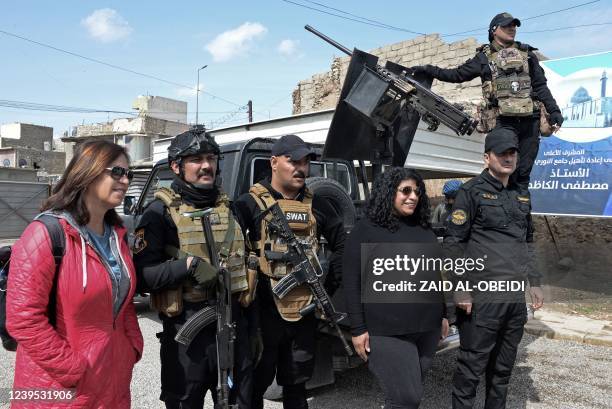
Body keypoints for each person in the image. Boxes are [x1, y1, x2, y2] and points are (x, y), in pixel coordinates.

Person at [7, 140, 144, 407]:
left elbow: (123, 301)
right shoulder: (46, 234)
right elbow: (22, 318)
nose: (125, 180)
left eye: (129, 174)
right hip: (60, 388)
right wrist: (73, 369)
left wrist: (131, 346)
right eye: (117, 172)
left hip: (111, 381)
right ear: (87, 172)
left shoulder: (118, 237)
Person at [133, 129, 256, 409]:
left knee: (240, 403)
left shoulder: (231, 208)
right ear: (176, 166)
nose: (206, 165)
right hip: (187, 332)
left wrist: (254, 330)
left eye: (211, 158)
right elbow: (141, 277)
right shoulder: (158, 214)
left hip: (234, 326)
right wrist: (187, 267)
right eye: (196, 159)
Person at [233, 134, 346, 409]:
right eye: (293, 160)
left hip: (303, 314)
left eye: (305, 162)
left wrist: (325, 287)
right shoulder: (249, 204)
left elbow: (343, 245)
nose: (301, 168)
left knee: (296, 387)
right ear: (273, 162)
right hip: (262, 316)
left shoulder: (317, 204)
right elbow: (229, 252)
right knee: (254, 388)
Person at [443, 127, 544, 409]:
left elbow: (528, 239)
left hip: (513, 296)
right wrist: (459, 286)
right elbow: (454, 242)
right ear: (487, 157)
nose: (508, 158)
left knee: (502, 371)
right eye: (502, 153)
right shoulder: (470, 192)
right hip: (483, 296)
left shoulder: (521, 195)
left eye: (512, 153)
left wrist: (534, 280)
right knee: (470, 370)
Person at [412, 12, 563, 191]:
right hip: (503, 122)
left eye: (514, 26)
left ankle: (520, 215)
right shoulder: (484, 57)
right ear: (494, 30)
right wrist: (429, 69)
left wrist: (554, 111)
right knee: (503, 172)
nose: (512, 29)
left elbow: (540, 86)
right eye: (507, 26)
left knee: (523, 175)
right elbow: (457, 75)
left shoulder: (528, 54)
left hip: (530, 121)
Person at [343, 167, 449, 409]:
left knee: (401, 398)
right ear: (389, 192)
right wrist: (358, 328)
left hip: (427, 328)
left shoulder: (423, 228)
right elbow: (351, 280)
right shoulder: (366, 229)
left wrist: (443, 313)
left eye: (417, 191)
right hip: (387, 331)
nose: (413, 196)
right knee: (408, 397)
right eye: (406, 191)